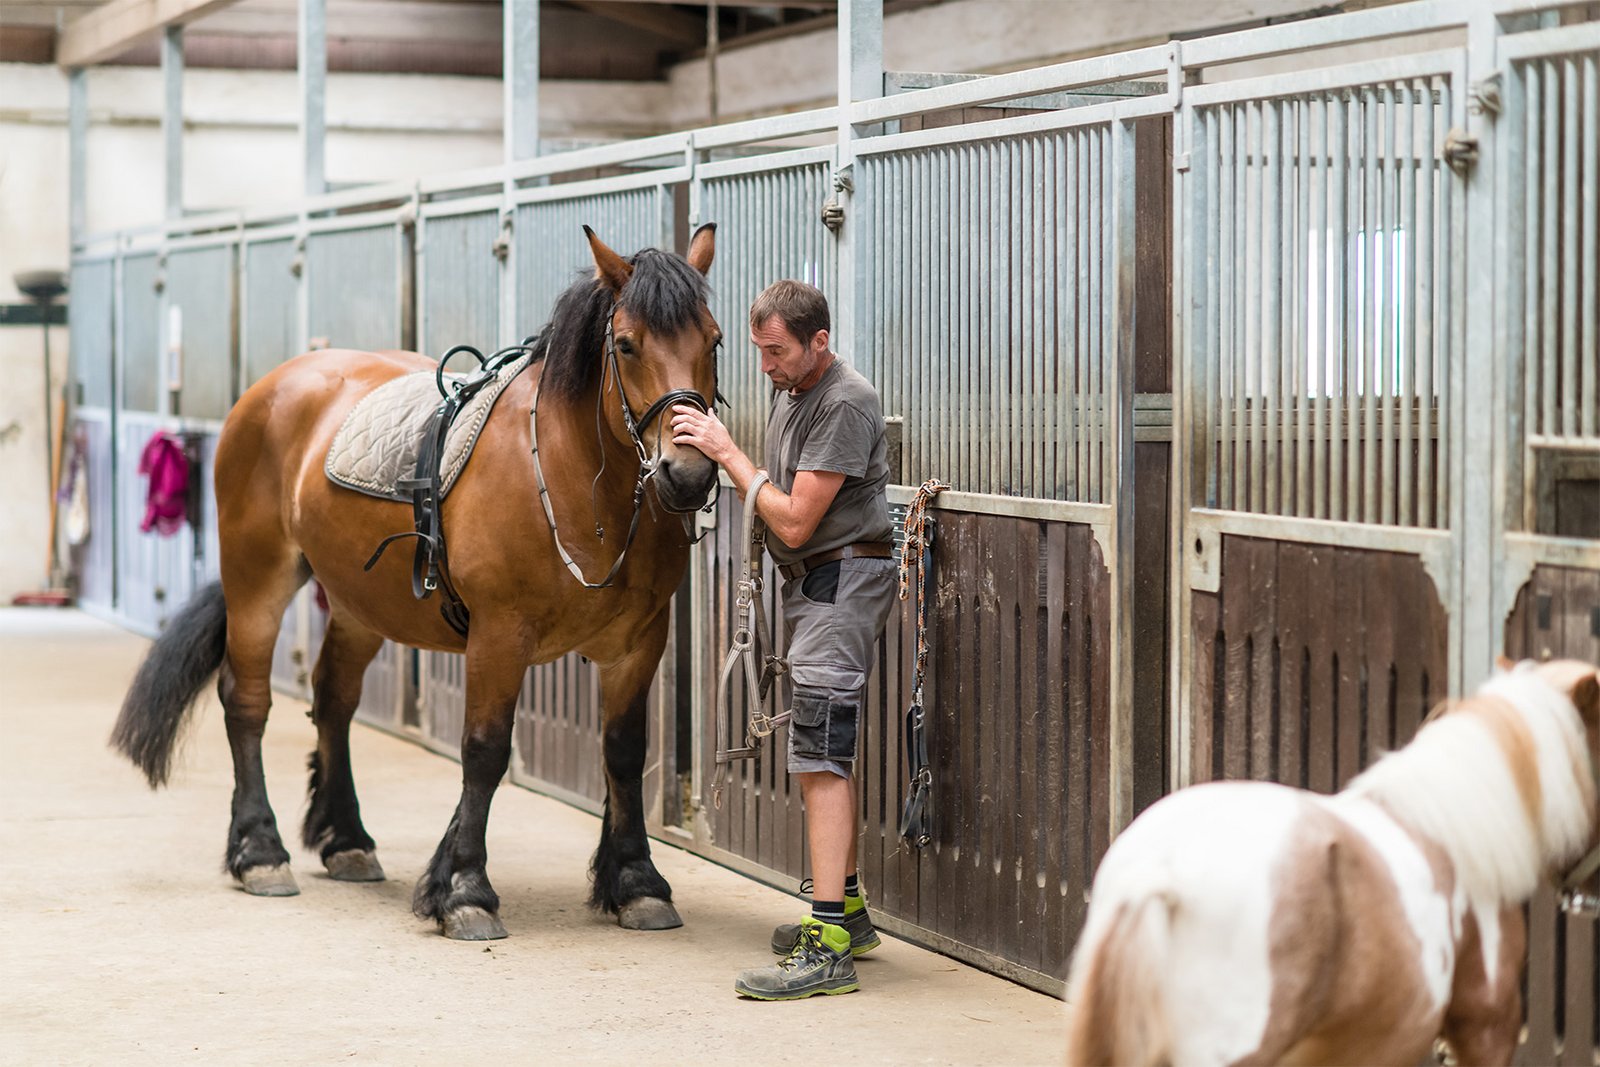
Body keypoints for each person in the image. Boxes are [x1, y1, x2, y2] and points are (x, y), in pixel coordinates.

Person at [670, 279, 896, 1000]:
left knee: (820, 754)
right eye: (760, 350)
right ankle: (850, 912)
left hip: (840, 581)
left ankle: (828, 943)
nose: (764, 364)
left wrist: (730, 455)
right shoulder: (793, 389)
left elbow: (796, 519)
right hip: (812, 584)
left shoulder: (844, 401)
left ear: (818, 342)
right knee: (818, 750)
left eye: (777, 351)